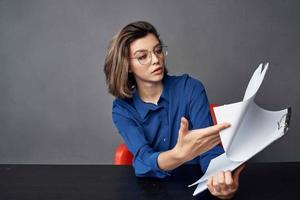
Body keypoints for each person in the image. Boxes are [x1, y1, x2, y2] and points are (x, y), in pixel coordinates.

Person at [104, 21, 244, 199]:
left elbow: (209, 150)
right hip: (149, 190)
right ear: (127, 65)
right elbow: (143, 160)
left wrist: (220, 179)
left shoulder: (191, 88)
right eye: (142, 56)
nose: (156, 59)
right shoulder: (122, 109)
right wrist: (179, 155)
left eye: (158, 50)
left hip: (196, 188)